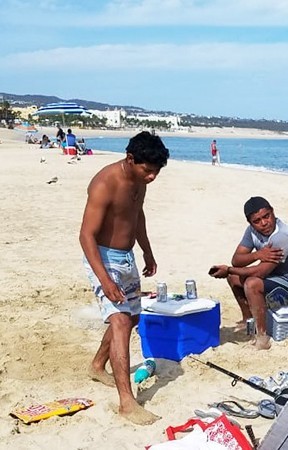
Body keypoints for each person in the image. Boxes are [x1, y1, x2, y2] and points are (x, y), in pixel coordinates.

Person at [79, 131, 169, 425]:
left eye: (156, 172)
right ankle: (127, 403)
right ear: (130, 159)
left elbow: (136, 215)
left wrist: (148, 252)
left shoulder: (140, 181)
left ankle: (96, 365)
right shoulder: (106, 183)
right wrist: (104, 280)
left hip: (126, 256)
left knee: (130, 317)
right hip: (102, 257)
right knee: (119, 320)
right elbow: (86, 236)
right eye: (148, 170)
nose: (152, 177)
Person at [208, 196, 288, 350]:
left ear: (273, 212)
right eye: (257, 221)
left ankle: (262, 337)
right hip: (277, 277)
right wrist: (257, 254)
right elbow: (237, 259)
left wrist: (228, 269)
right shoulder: (251, 232)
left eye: (266, 216)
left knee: (251, 283)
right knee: (233, 277)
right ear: (250, 223)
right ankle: (248, 319)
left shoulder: (282, 237)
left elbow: (260, 272)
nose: (264, 223)